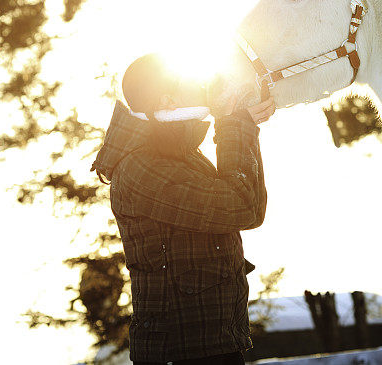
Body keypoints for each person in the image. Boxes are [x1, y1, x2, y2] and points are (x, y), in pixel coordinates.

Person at [91, 53, 275, 364]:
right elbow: (242, 206)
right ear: (168, 101)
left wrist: (239, 122)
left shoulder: (177, 155)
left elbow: (244, 200)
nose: (204, 86)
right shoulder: (142, 167)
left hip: (206, 346)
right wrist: (234, 125)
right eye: (194, 82)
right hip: (183, 351)